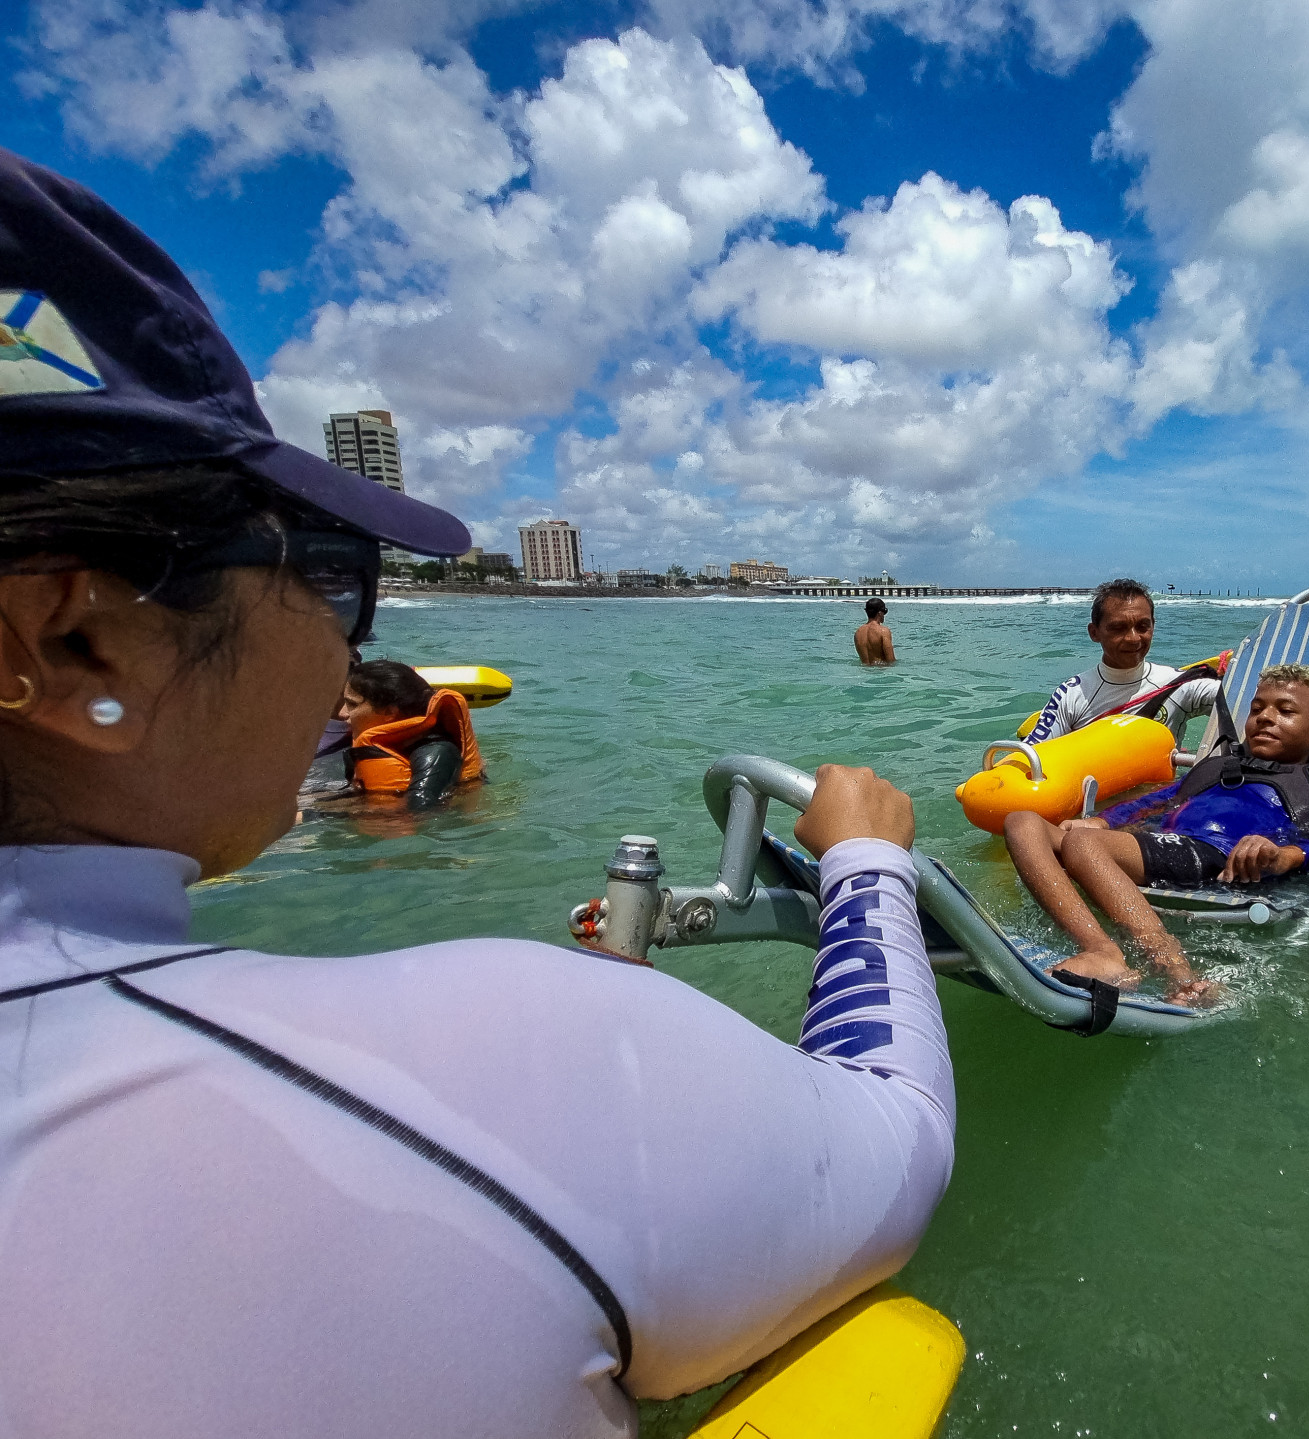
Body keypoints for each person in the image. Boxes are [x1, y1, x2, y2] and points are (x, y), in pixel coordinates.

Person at [0, 147, 953, 1436]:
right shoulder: (498, 1071)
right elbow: (897, 1140)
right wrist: (866, 866)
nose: (341, 645)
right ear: (70, 644)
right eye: (332, 567)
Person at [1005, 665, 1309, 1007]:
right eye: (1257, 708)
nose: (1265, 717)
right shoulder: (1217, 766)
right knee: (1022, 822)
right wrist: (1104, 821)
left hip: (1216, 857)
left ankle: (1166, 966)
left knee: (1081, 844)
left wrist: (1288, 855)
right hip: (1166, 847)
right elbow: (1158, 802)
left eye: (1285, 711)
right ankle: (1096, 946)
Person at [1027, 577, 1219, 745]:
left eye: (1143, 626)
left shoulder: (1180, 686)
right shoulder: (1072, 694)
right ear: (1094, 633)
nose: (1133, 638)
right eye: (1119, 628)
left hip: (1165, 787)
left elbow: (1242, 703)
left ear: (1153, 627)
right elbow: (1029, 756)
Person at [335, 658, 485, 809]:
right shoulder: (384, 743)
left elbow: (421, 811)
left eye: (352, 704)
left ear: (389, 712)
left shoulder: (438, 752)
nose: (342, 713)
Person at [854, 597, 895, 664]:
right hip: (881, 672)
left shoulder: (858, 632)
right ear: (880, 613)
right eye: (884, 612)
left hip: (864, 672)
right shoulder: (883, 631)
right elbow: (891, 660)